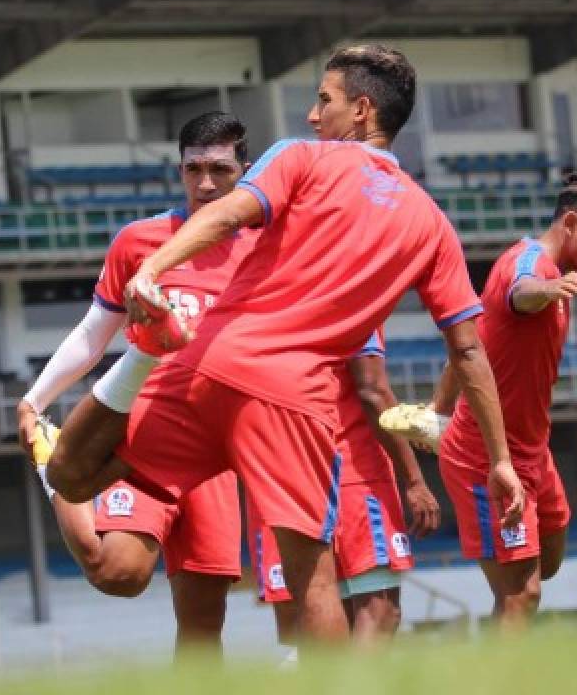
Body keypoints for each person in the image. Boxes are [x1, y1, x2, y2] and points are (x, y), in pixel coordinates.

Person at [47, 44, 524, 645]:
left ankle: (139, 354)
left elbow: (225, 217)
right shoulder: (431, 224)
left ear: (362, 110)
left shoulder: (301, 158)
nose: (311, 115)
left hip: (207, 359)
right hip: (292, 398)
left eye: (324, 99)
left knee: (73, 476)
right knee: (317, 585)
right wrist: (501, 461)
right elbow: (470, 351)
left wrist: (152, 269)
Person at [16, 111, 253, 651]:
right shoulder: (140, 241)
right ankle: (56, 467)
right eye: (194, 169)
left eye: (220, 169)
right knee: (119, 573)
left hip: (218, 452)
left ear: (246, 170)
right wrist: (35, 399)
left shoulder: (264, 251)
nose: (207, 183)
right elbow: (93, 333)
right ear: (179, 171)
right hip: (144, 433)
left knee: (203, 626)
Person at [428, 174, 577, 628]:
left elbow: (473, 341)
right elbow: (524, 292)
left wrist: (436, 410)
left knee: (547, 560)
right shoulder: (531, 266)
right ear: (573, 222)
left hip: (534, 453)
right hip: (485, 457)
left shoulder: (559, 274)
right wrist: (549, 290)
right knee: (522, 591)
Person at [250, 330, 434, 653]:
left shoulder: (269, 299)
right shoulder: (352, 292)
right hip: (350, 471)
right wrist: (415, 479)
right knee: (379, 612)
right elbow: (372, 390)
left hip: (279, 473)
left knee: (318, 625)